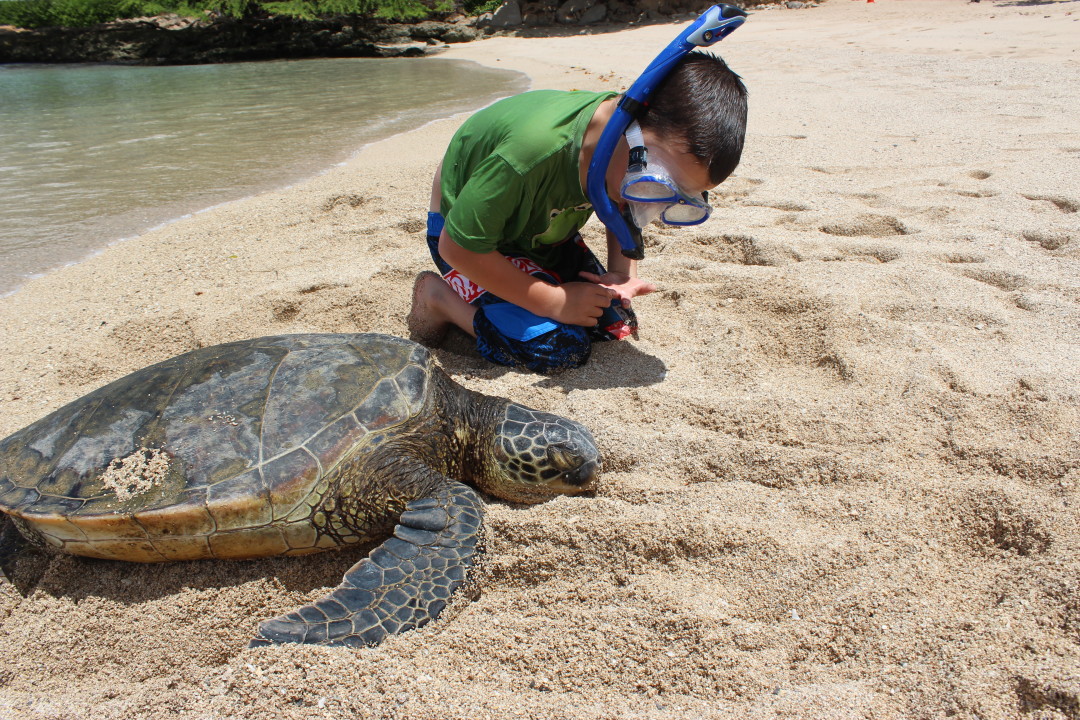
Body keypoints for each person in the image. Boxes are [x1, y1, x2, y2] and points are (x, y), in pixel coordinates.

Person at [407, 49, 748, 374]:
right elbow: (457, 246)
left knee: (613, 322)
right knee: (558, 347)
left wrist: (620, 273)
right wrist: (552, 301)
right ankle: (441, 300)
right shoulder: (532, 152)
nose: (651, 204)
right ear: (627, 133)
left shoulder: (622, 140)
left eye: (673, 198)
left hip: (543, 234)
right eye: (653, 185)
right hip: (470, 241)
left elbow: (622, 203)